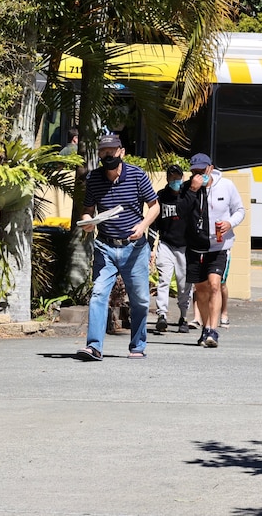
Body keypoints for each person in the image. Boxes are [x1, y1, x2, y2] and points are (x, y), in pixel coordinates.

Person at [76, 134, 160, 360]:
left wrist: (142, 226)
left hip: (134, 248)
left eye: (112, 151)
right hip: (105, 246)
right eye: (103, 152)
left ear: (121, 152)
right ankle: (94, 346)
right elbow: (88, 210)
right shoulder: (94, 178)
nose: (108, 155)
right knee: (98, 294)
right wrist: (87, 222)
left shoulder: (137, 175)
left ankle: (137, 346)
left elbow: (154, 207)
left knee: (141, 299)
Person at [178, 153, 245, 348]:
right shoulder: (187, 188)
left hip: (219, 246)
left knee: (215, 285)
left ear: (211, 168)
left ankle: (212, 331)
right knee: (201, 290)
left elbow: (240, 210)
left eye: (202, 170)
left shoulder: (226, 186)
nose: (199, 174)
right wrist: (192, 190)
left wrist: (229, 223)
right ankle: (205, 328)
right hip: (195, 247)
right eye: (195, 171)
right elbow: (180, 212)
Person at [152, 164, 193, 334]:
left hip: (185, 246)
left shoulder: (188, 195)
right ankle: (162, 315)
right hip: (166, 244)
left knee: (184, 284)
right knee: (164, 280)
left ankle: (183, 316)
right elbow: (154, 223)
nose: (175, 180)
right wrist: (150, 248)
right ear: (167, 179)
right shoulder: (161, 196)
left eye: (178, 177)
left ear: (182, 177)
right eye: (172, 177)